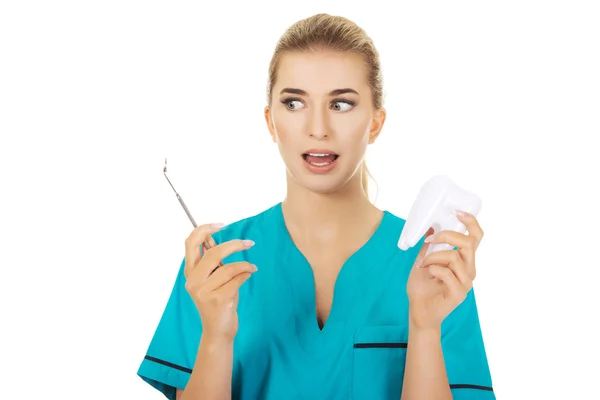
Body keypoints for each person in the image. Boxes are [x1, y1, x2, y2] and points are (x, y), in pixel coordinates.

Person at [137, 13, 495, 400]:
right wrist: (215, 336)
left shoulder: (435, 263)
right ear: (270, 122)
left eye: (341, 104)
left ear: (375, 123)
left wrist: (424, 327)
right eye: (294, 103)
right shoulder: (213, 265)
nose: (318, 128)